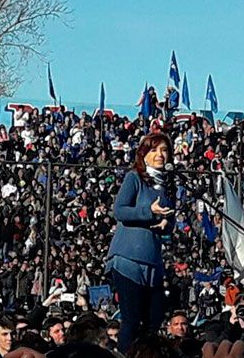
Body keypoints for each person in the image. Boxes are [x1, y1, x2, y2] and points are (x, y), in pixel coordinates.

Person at [105, 132, 175, 353]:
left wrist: (166, 224)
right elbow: (119, 210)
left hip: (153, 262)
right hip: (129, 259)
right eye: (154, 150)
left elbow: (169, 219)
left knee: (153, 321)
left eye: (164, 150)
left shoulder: (167, 185)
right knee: (132, 319)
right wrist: (149, 211)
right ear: (143, 154)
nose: (160, 155)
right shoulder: (134, 177)